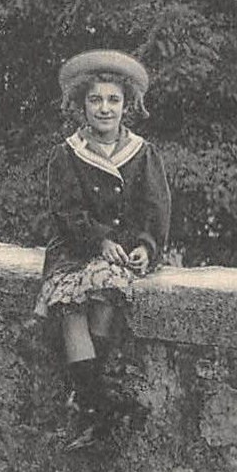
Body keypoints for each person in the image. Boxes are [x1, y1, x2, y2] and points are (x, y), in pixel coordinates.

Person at [33, 49, 171, 450]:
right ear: (82, 106)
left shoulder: (143, 154)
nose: (104, 108)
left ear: (127, 106)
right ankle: (98, 406)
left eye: (113, 100)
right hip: (75, 248)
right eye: (96, 100)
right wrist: (99, 240)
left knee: (107, 287)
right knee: (69, 302)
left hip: (121, 253)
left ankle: (87, 402)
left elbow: (156, 211)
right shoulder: (66, 153)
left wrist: (146, 246)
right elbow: (65, 211)